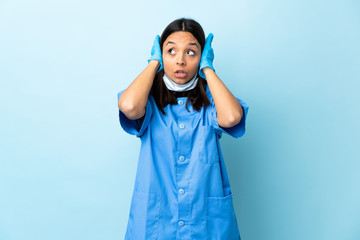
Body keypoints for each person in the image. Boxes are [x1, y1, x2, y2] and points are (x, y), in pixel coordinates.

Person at [117, 17, 249, 240]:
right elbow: (129, 106)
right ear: (161, 55)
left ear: (201, 57)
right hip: (156, 221)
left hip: (204, 222)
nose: (180, 60)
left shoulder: (211, 101)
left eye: (191, 52)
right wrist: (153, 65)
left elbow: (232, 117)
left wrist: (208, 71)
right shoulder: (149, 102)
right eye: (171, 51)